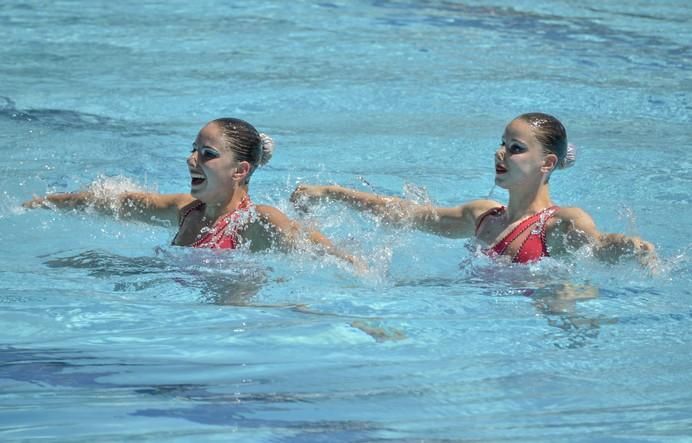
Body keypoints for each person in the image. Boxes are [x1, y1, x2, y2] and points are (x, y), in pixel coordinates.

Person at [291, 112, 656, 266]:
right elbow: (409, 215)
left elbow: (596, 242)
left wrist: (628, 247)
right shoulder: (483, 217)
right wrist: (332, 193)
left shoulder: (559, 224)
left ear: (547, 164)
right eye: (502, 144)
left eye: (515, 148)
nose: (501, 153)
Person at [24, 117, 361, 267]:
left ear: (240, 170)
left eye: (207, 154)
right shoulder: (187, 210)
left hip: (240, 327)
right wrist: (47, 203)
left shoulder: (256, 222)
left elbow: (318, 247)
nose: (191, 159)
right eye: (194, 149)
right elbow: (119, 203)